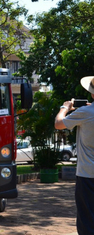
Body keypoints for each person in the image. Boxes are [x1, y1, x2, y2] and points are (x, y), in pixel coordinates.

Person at [55, 76, 94, 235]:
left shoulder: (85, 112)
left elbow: (59, 124)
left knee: (87, 220)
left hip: (87, 174)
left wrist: (65, 108)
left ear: (92, 94)